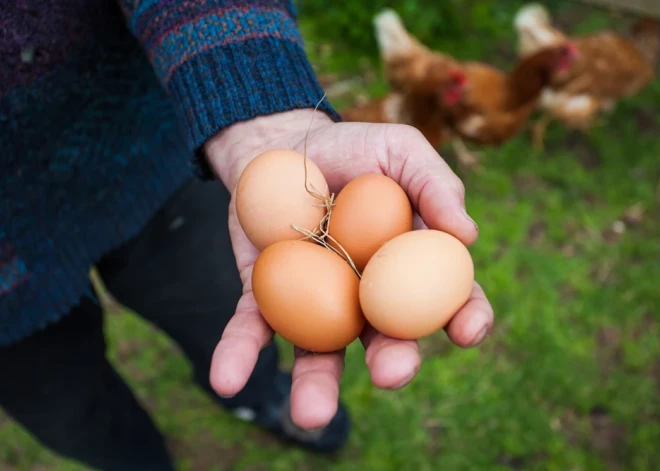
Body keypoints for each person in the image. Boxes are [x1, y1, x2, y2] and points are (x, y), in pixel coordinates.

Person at [0, 1, 495, 470]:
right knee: (66, 404)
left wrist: (255, 101)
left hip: (143, 161)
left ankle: (259, 398)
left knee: (214, 304)